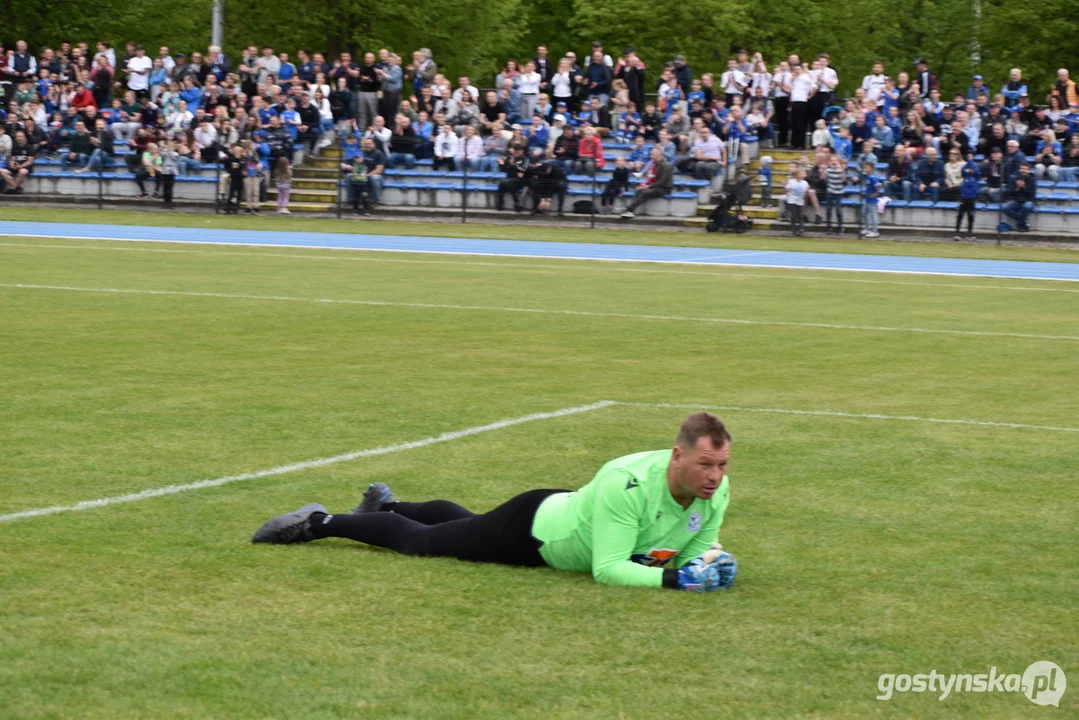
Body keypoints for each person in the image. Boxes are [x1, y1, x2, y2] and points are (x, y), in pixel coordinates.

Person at [252, 412, 738, 593]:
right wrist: (678, 580)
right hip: (531, 534)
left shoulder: (713, 489)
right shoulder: (627, 482)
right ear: (678, 455)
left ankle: (386, 504)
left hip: (547, 516)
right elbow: (607, 569)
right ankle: (318, 522)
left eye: (722, 466)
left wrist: (712, 563)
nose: (715, 478)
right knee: (424, 543)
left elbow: (700, 542)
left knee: (462, 527)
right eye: (705, 465)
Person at [620, 146, 672, 219]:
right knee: (639, 190)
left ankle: (629, 209)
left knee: (645, 192)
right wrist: (645, 185)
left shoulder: (666, 166)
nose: (651, 157)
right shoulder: (655, 165)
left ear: (658, 155)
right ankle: (630, 211)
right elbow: (652, 179)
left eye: (653, 155)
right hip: (656, 186)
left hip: (664, 189)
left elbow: (662, 182)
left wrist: (649, 186)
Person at [1002, 162, 1036, 232]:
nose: (1023, 170)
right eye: (1022, 169)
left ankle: (1020, 225)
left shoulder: (1032, 180)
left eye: (1025, 169)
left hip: (1028, 200)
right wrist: (1016, 189)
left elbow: (1032, 194)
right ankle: (1023, 220)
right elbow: (1010, 193)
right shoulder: (1015, 179)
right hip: (1017, 201)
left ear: (1029, 170)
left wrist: (1023, 187)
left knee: (1027, 206)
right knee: (1004, 208)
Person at [496, 144, 529, 211]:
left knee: (507, 182)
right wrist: (501, 164)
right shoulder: (509, 158)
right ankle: (500, 202)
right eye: (515, 150)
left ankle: (517, 202)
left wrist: (513, 165)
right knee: (502, 183)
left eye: (518, 150)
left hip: (520, 180)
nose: (516, 152)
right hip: (509, 178)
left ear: (522, 151)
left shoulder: (525, 159)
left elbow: (523, 169)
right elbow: (504, 169)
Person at [955, 154, 980, 241]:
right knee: (960, 215)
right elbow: (963, 170)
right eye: (968, 157)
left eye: (971, 157)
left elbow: (976, 171)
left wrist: (970, 161)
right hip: (964, 196)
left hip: (972, 197)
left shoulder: (975, 176)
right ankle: (957, 233)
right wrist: (968, 163)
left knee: (971, 216)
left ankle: (969, 234)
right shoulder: (965, 175)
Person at [824, 155, 846, 234]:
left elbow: (843, 180)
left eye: (835, 161)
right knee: (828, 210)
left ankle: (840, 226)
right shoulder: (828, 170)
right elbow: (824, 178)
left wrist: (843, 170)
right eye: (832, 160)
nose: (834, 162)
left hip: (839, 193)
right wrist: (823, 170)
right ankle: (829, 227)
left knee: (838, 210)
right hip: (830, 191)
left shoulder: (840, 170)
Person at [860, 160, 882, 238]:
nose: (865, 169)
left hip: (872, 200)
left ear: (871, 169)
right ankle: (867, 228)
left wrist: (875, 193)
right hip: (867, 199)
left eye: (867, 168)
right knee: (864, 214)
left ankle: (875, 231)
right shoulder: (867, 177)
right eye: (865, 167)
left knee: (873, 216)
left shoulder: (873, 177)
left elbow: (879, 185)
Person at [785, 166, 809, 236]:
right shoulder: (791, 182)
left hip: (800, 201)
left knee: (801, 215)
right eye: (802, 174)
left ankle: (801, 228)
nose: (804, 175)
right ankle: (794, 229)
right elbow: (787, 189)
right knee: (794, 215)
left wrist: (806, 192)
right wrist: (787, 192)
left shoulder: (805, 183)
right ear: (797, 175)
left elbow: (806, 191)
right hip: (792, 201)